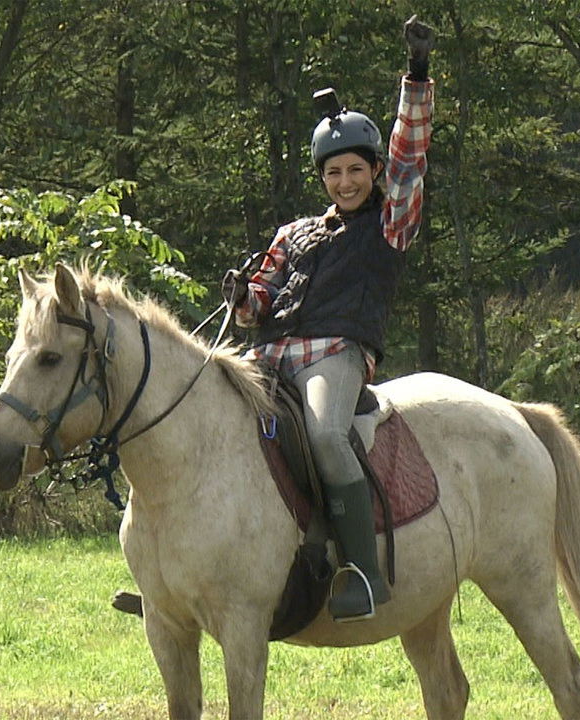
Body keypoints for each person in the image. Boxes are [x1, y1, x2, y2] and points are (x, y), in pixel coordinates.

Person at [223, 16, 435, 622]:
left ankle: (364, 575)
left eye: (356, 170)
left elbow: (410, 153)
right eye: (333, 173)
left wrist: (415, 78)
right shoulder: (294, 233)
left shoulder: (389, 224)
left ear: (374, 174)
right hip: (267, 360)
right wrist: (243, 298)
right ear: (322, 177)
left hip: (335, 356)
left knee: (323, 436)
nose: (345, 182)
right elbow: (258, 302)